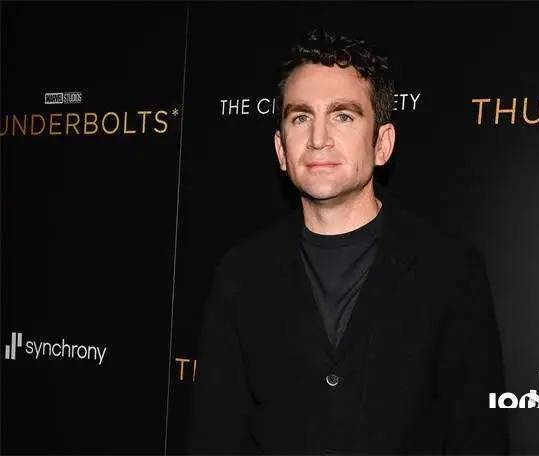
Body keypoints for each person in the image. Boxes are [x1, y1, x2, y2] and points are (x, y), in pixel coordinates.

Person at [186, 28, 509, 455]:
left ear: (382, 143)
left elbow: (478, 437)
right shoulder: (240, 274)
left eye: (343, 116)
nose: (319, 138)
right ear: (281, 150)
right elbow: (214, 436)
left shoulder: (450, 270)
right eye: (301, 118)